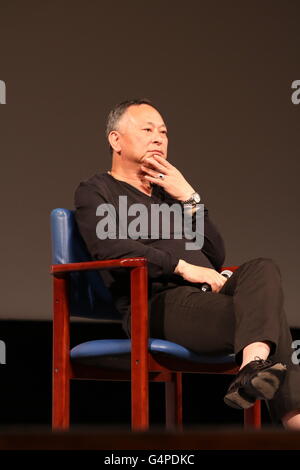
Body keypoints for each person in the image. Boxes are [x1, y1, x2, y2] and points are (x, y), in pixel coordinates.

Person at [74, 98, 300, 429]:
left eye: (163, 132)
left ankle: (253, 366)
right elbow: (108, 247)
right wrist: (182, 267)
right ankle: (284, 410)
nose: (158, 138)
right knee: (266, 319)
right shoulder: (97, 190)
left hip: (206, 296)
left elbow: (214, 254)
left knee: (262, 268)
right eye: (147, 129)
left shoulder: (170, 195)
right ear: (115, 140)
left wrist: (190, 197)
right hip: (157, 302)